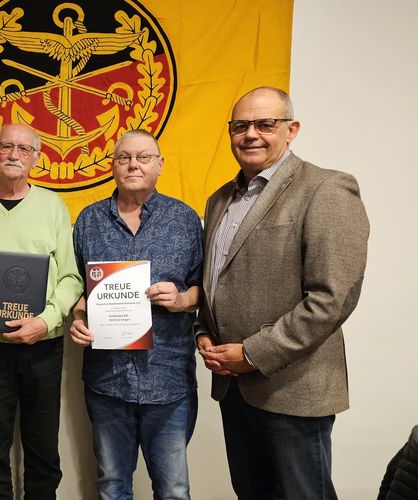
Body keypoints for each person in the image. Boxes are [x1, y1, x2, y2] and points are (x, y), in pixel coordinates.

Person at [197, 87, 369, 499]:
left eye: (265, 124)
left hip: (293, 387)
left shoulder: (326, 189)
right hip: (232, 386)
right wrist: (203, 333)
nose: (251, 134)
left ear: (291, 129)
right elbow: (214, 281)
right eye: (241, 126)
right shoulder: (219, 199)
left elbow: (331, 299)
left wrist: (253, 354)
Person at [0, 123, 84, 499]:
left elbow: (71, 277)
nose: (13, 154)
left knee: (43, 451)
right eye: (6, 146)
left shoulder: (53, 206)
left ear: (37, 158)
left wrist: (45, 320)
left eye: (24, 149)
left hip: (43, 346)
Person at [70, 129, 202, 499]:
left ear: (159, 165)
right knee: (112, 486)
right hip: (107, 380)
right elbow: (79, 289)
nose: (133, 164)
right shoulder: (88, 220)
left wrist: (179, 299)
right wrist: (78, 319)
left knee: (174, 490)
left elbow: (206, 291)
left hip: (169, 379)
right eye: (124, 157)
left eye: (143, 157)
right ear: (111, 165)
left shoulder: (185, 220)